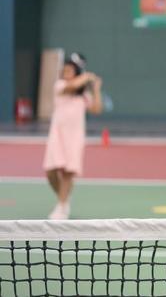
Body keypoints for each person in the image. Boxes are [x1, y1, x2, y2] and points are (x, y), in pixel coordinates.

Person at [44, 53, 103, 220]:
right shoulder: (60, 86)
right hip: (57, 135)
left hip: (75, 137)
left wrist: (96, 89)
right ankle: (63, 199)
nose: (66, 73)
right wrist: (86, 76)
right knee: (50, 171)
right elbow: (71, 87)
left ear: (75, 72)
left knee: (68, 172)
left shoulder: (83, 95)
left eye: (69, 70)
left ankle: (62, 206)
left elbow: (96, 109)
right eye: (64, 70)